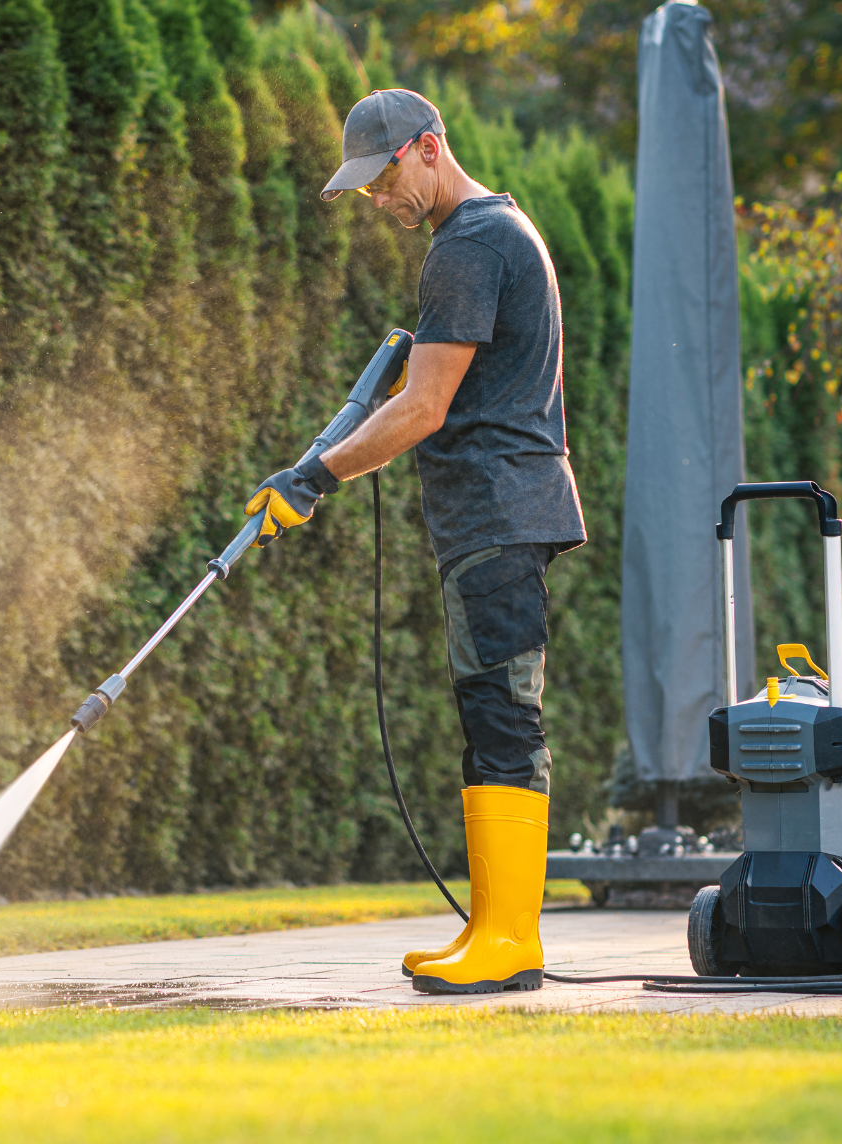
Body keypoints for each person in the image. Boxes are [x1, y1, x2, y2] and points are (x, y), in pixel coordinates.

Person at [244, 89, 586, 994]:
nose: (377, 201)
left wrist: (313, 479)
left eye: (382, 178)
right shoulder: (496, 234)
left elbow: (424, 407)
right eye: (362, 190)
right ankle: (497, 931)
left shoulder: (469, 245)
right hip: (501, 515)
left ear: (427, 149)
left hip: (498, 515)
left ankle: (510, 941)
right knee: (490, 721)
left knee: (505, 720)